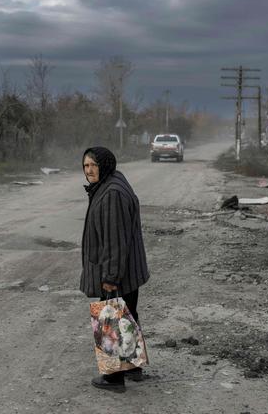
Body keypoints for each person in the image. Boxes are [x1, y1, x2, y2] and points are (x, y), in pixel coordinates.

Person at [80, 146, 150, 392]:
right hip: (128, 269)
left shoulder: (111, 193)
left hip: (119, 271)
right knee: (126, 317)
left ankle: (113, 377)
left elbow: (114, 240)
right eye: (86, 166)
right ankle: (132, 367)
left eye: (93, 165)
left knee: (110, 318)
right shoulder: (112, 183)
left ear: (105, 165)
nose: (89, 170)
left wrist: (110, 277)